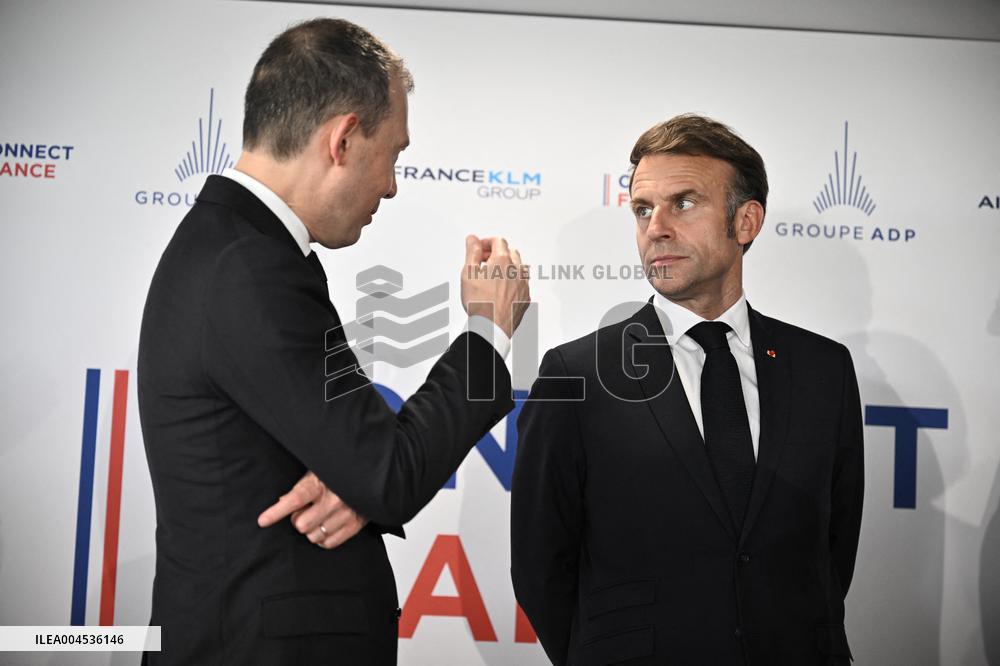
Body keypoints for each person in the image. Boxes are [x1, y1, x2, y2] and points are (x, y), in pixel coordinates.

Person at [138, 18, 528, 665]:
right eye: (394, 154)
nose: (393, 184)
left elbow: (358, 460)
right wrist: (488, 333)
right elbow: (389, 471)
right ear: (343, 138)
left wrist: (357, 478)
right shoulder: (249, 266)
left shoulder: (236, 248)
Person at [511, 114, 863, 665]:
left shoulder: (824, 370)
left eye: (684, 203)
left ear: (745, 222)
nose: (656, 228)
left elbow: (832, 550)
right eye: (643, 209)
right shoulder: (576, 373)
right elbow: (539, 566)